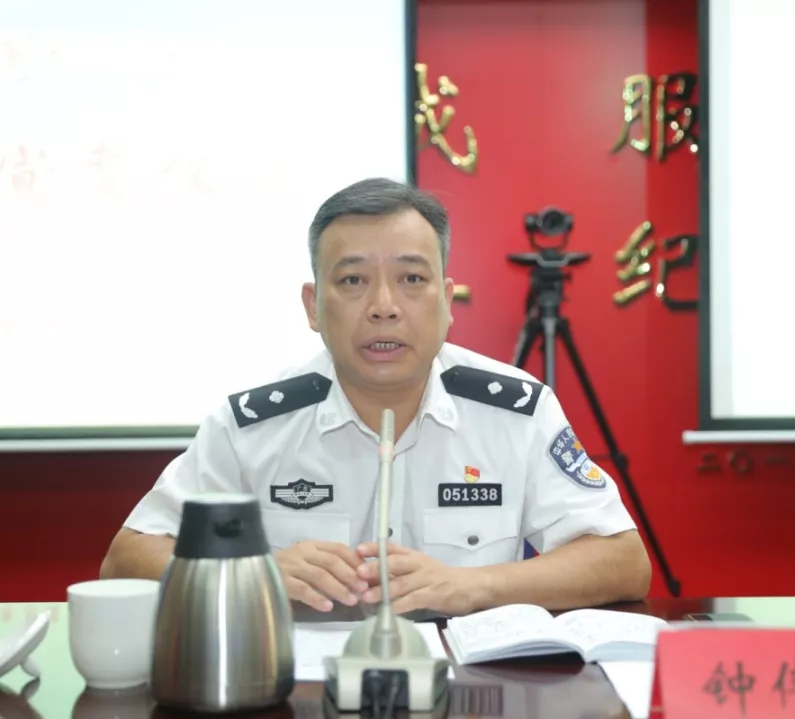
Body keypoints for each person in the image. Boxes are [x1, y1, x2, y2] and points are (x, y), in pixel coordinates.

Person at [100, 178, 651, 616]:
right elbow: (127, 559)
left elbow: (624, 561)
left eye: (412, 280)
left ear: (447, 300)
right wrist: (250, 573)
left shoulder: (517, 413)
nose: (384, 306)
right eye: (353, 281)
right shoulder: (250, 426)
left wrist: (472, 586)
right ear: (313, 306)